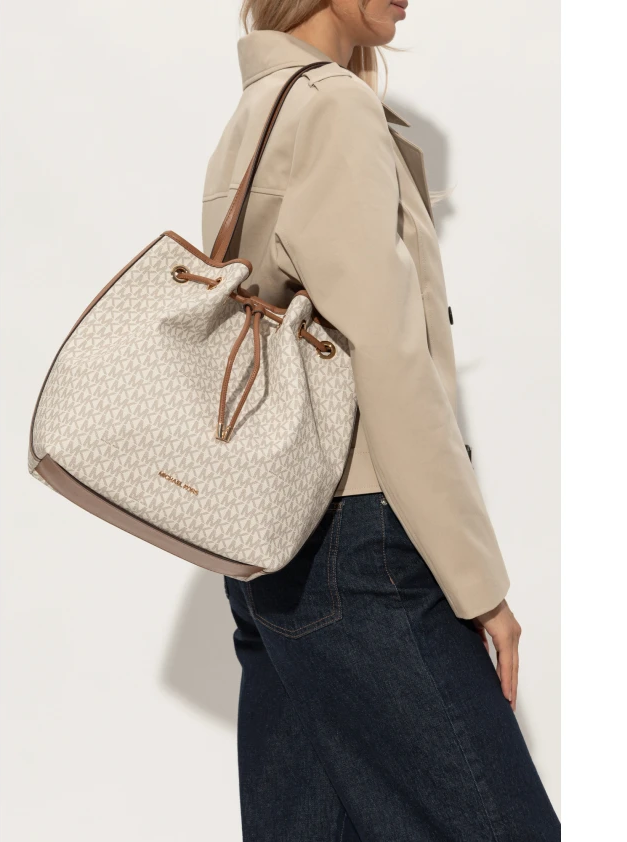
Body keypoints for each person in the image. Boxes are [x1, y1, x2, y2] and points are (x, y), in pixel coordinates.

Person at [201, 2, 560, 839]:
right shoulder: (331, 107)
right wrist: (478, 587)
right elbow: (387, 355)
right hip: (357, 547)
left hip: (267, 544)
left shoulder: (257, 110)